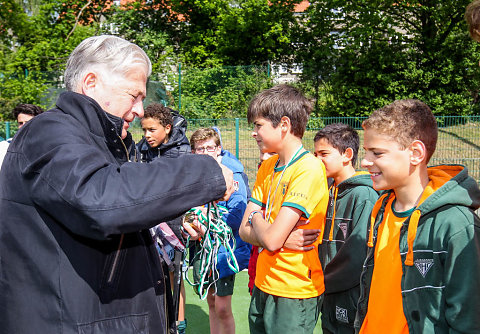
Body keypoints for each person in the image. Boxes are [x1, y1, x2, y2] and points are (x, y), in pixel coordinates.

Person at [0, 35, 235, 334]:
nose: (139, 110)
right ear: (91, 83)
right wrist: (205, 173)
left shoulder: (101, 141)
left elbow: (123, 208)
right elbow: (102, 199)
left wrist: (176, 220)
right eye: (134, 95)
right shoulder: (49, 131)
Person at [355, 99, 480, 333]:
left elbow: (468, 319)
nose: (365, 162)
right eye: (366, 152)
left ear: (415, 153)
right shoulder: (381, 209)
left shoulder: (455, 223)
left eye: (377, 153)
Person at [239, 84, 329, 334]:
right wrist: (273, 236)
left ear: (284, 125)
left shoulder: (308, 168)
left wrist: (257, 217)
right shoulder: (268, 167)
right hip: (263, 283)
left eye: (258, 125)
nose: (254, 133)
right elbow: (243, 231)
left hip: (294, 289)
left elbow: (268, 238)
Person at [312, 123, 378, 334]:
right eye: (314, 154)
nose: (317, 160)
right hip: (328, 292)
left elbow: (357, 255)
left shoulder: (363, 195)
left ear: (347, 154)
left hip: (350, 294)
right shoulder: (327, 192)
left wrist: (322, 281)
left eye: (324, 153)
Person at [186, 127, 251, 334]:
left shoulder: (233, 175)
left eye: (209, 147)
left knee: (223, 307)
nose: (205, 152)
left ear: (218, 149)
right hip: (201, 248)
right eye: (199, 149)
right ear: (193, 152)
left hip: (223, 248)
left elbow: (237, 215)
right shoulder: (191, 176)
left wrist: (209, 223)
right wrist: (191, 221)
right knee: (211, 302)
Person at [136, 102, 191, 334]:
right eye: (144, 130)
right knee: (152, 273)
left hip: (174, 223)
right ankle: (157, 321)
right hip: (148, 222)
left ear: (167, 127)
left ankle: (179, 324)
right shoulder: (141, 149)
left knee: (174, 274)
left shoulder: (182, 152)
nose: (147, 135)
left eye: (152, 130)